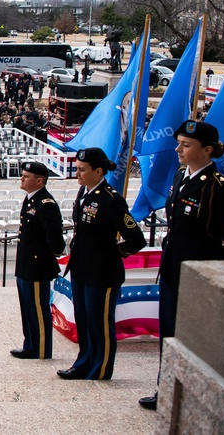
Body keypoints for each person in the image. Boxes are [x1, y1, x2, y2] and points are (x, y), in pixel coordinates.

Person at [138, 121, 224, 410]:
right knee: (168, 336)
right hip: (172, 274)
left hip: (194, 280)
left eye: (186, 145)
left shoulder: (218, 188)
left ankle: (187, 397)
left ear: (208, 150)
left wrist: (209, 271)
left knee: (190, 341)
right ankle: (166, 389)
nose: (178, 148)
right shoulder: (181, 177)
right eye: (178, 142)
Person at [58, 147, 146, 381]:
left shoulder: (111, 200)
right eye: (77, 169)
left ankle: (101, 367)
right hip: (81, 268)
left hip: (102, 272)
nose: (77, 173)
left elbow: (136, 239)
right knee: (84, 319)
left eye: (82, 170)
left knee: (99, 322)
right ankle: (85, 361)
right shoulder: (84, 193)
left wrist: (112, 253)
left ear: (98, 171)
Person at [10, 161, 65, 361]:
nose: (22, 178)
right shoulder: (31, 199)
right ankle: (30, 345)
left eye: (26, 176)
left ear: (39, 181)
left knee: (38, 310)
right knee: (27, 308)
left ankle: (41, 349)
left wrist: (49, 254)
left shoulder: (45, 203)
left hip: (37, 265)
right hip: (26, 264)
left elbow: (54, 239)